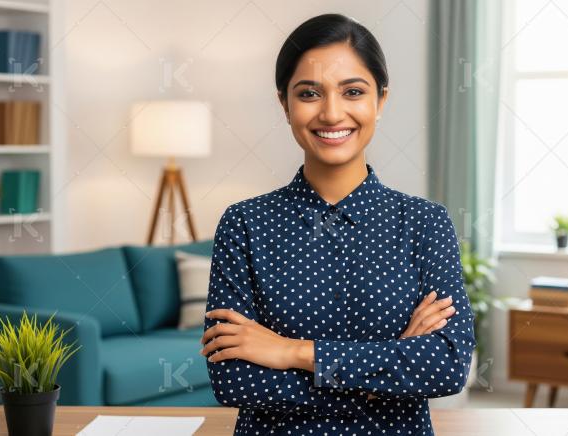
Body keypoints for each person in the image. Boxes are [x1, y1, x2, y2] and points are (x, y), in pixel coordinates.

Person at [200, 13, 476, 435]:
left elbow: (447, 367)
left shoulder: (425, 222)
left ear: (380, 101)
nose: (332, 113)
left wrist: (292, 352)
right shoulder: (244, 224)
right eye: (309, 93)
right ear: (284, 103)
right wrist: (391, 365)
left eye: (353, 92)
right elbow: (234, 380)